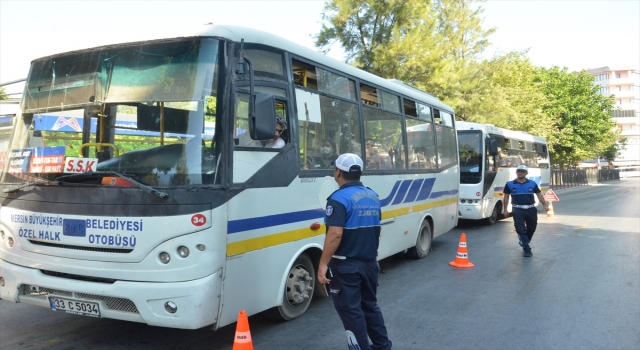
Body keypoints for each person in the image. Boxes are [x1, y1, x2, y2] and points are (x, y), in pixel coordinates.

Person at [317, 153, 392, 350]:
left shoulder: (338, 199)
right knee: (369, 306)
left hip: (346, 265)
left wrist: (323, 263)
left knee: (351, 311)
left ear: (338, 172)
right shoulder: (373, 196)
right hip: (369, 264)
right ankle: (383, 346)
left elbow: (334, 235)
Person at [503, 165, 549, 257]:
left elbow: (539, 194)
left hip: (531, 209)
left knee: (532, 228)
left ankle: (524, 241)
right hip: (517, 209)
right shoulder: (509, 184)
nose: (520, 173)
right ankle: (527, 249)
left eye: (522, 171)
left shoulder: (532, 183)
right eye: (518, 171)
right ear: (516, 172)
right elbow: (506, 197)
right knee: (520, 229)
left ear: (526, 173)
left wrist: (544, 204)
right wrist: (505, 210)